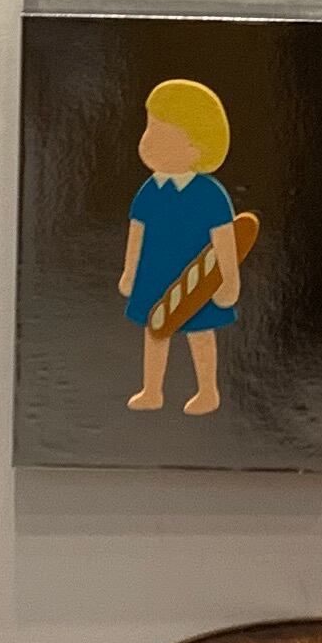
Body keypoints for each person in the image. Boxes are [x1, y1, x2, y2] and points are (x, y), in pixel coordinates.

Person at [118, 77, 242, 415]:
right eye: (149, 130)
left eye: (163, 135)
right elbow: (137, 232)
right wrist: (130, 272)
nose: (149, 142)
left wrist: (228, 280)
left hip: (197, 276)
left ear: (197, 147)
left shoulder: (210, 194)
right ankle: (152, 390)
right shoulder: (149, 190)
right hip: (155, 274)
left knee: (199, 331)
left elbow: (225, 238)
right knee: (155, 330)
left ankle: (208, 391)